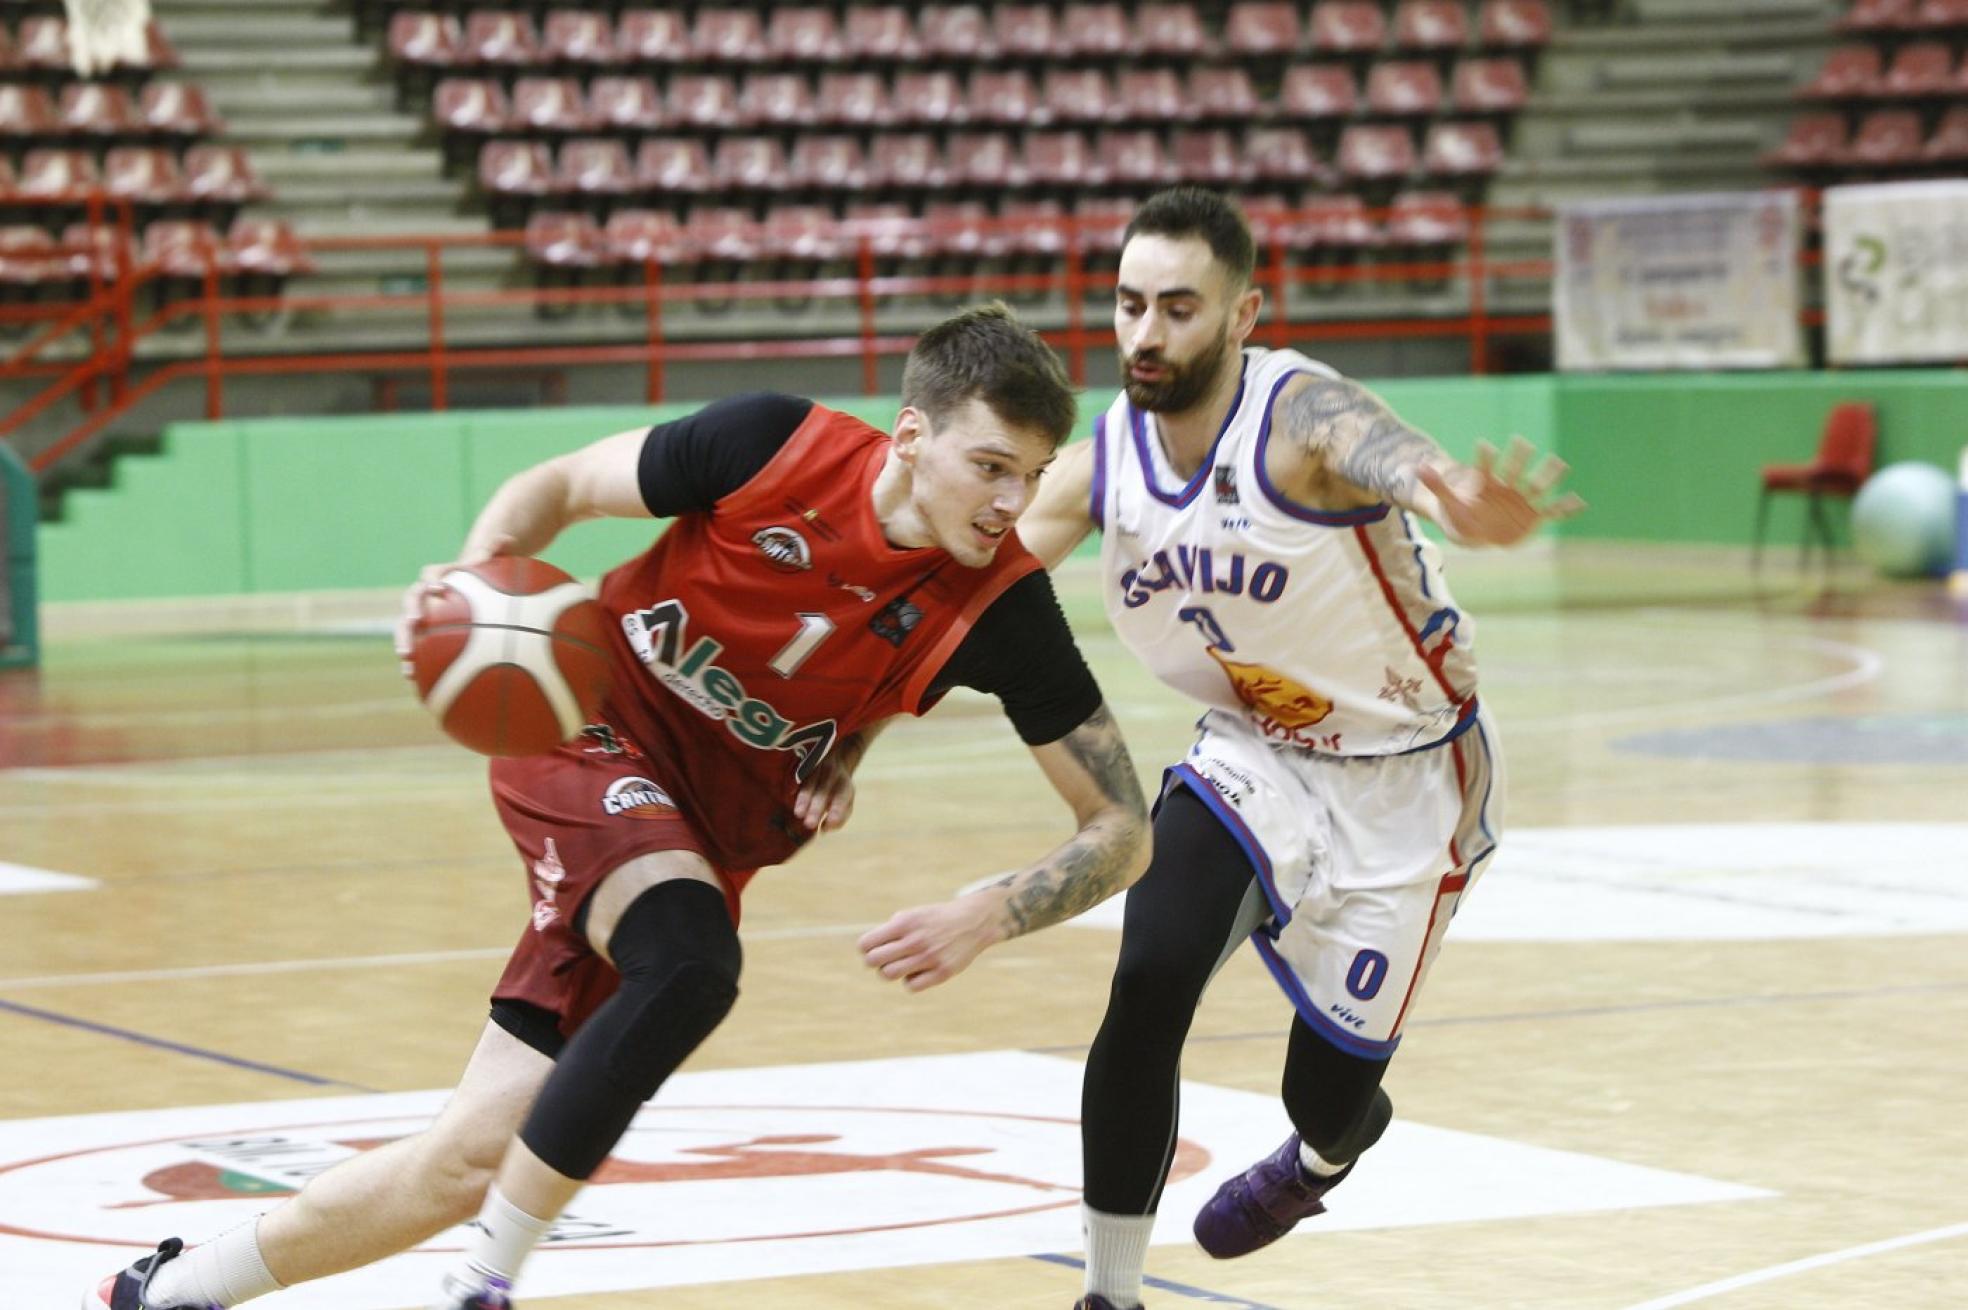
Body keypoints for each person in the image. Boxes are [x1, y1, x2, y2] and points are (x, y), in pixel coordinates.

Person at [90, 303, 1152, 1310]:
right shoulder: (770, 444)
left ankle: (176, 1286)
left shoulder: (1002, 605)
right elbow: (553, 484)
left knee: (468, 1156)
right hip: (584, 729)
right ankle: (487, 1278)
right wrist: (470, 578)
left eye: (1035, 475)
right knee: (692, 962)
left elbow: (1122, 828)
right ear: (911, 435)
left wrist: (991, 908)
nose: (1015, 501)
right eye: (992, 467)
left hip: (695, 836)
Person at [1001, 188, 1581, 1310]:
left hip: (1408, 778)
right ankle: (1108, 1294)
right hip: (1253, 754)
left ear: (1243, 312)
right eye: (1128, 305)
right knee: (1149, 975)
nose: (1147, 334)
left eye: (1178, 306)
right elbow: (971, 584)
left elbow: (1395, 453)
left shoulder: (1301, 413)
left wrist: (1457, 495)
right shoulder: (1104, 459)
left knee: (1326, 1093)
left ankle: (1323, 1155)